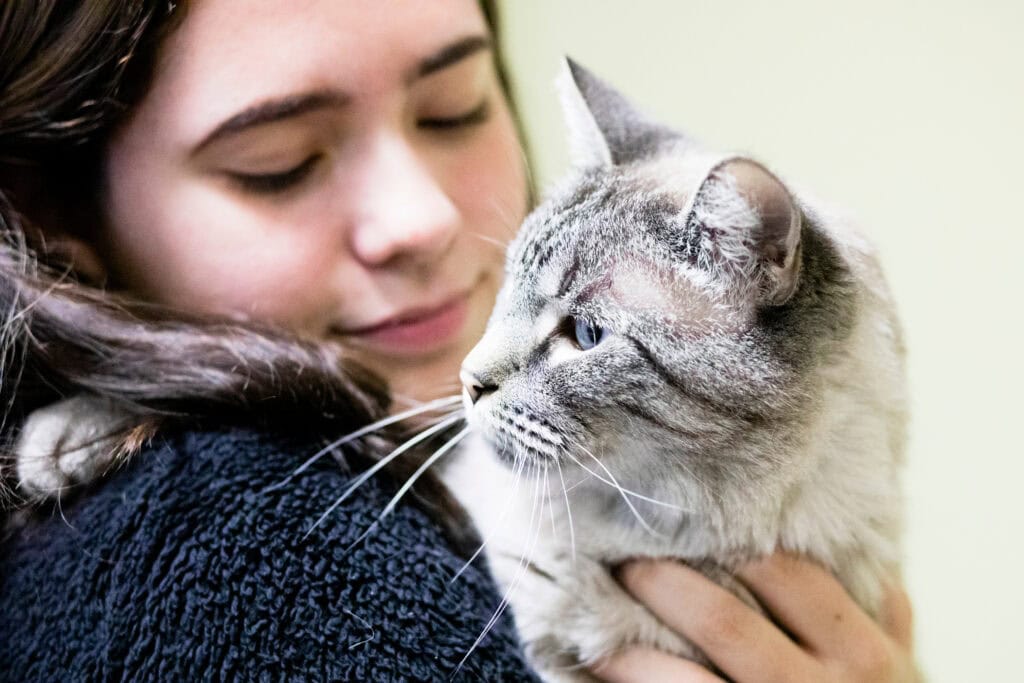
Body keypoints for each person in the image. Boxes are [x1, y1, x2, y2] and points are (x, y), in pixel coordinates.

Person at [0, 1, 917, 680]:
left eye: (453, 108)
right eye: (278, 165)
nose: (425, 219)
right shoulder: (242, 555)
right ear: (54, 212)